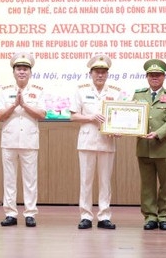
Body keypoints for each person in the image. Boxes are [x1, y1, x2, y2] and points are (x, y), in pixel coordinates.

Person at [70, 53, 124, 230]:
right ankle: (85, 216)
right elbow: (73, 116)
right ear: (90, 73)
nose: (100, 75)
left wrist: (119, 129)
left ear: (107, 74)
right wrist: (90, 117)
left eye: (103, 72)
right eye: (97, 72)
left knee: (105, 181)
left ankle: (104, 216)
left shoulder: (115, 92)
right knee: (86, 180)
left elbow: (121, 117)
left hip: (107, 142)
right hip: (86, 140)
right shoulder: (81, 90)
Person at [0, 52, 47, 227]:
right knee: (9, 179)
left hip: (29, 141)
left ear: (30, 72)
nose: (22, 72)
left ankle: (30, 213)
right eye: (19, 69)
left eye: (25, 69)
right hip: (9, 141)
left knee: (30, 179)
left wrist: (24, 105)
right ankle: (10, 213)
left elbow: (42, 114)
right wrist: (14, 104)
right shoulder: (4, 91)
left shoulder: (38, 91)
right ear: (14, 72)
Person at [131, 59, 166, 231]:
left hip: (164, 148)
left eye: (158, 75)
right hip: (144, 147)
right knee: (147, 186)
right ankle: (150, 217)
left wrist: (158, 133)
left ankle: (165, 217)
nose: (154, 78)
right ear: (146, 77)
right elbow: (132, 118)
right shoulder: (138, 95)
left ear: (163, 77)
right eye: (151, 75)